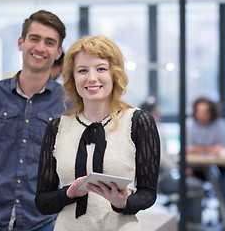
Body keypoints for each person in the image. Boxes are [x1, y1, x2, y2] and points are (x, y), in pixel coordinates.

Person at [35, 35, 161, 231]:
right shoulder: (56, 128)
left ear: (114, 74)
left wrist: (123, 203)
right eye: (82, 70)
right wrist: (69, 193)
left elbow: (148, 193)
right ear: (72, 77)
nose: (91, 78)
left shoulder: (138, 122)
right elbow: (43, 201)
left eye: (101, 69)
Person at [0, 10, 66, 231]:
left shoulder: (68, 103)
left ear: (58, 52)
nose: (39, 48)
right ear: (21, 42)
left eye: (49, 42)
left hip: (44, 223)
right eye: (34, 38)